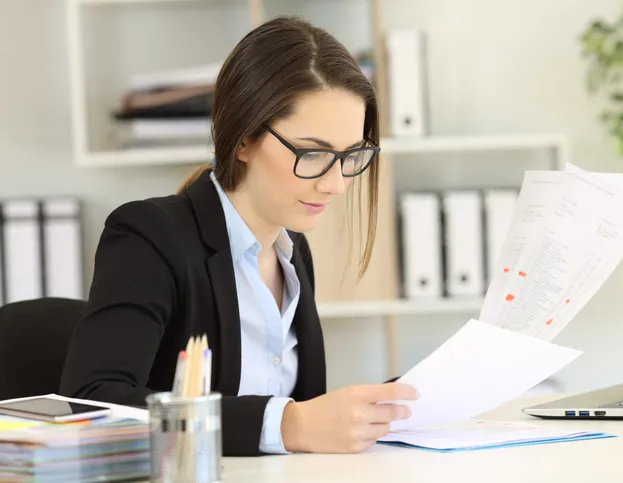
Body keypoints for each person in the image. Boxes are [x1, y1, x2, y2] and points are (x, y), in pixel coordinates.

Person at [58, 16, 419, 457]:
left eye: (351, 156)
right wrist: (287, 425)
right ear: (243, 139)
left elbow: (297, 423)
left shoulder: (292, 252)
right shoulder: (148, 235)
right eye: (313, 153)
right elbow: (93, 402)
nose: (336, 184)